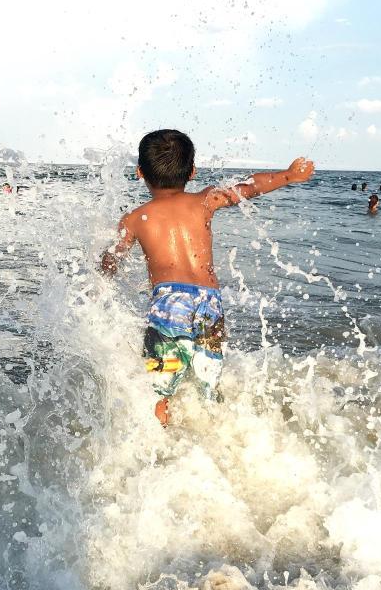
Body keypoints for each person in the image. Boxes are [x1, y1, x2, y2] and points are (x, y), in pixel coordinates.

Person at [100, 128, 314, 426]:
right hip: (209, 303)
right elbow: (248, 188)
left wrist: (99, 279)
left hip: (168, 305)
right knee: (208, 378)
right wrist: (289, 175)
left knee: (160, 386)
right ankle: (217, 431)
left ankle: (161, 436)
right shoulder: (205, 201)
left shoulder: (135, 218)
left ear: (139, 172)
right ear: (192, 172)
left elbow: (111, 261)